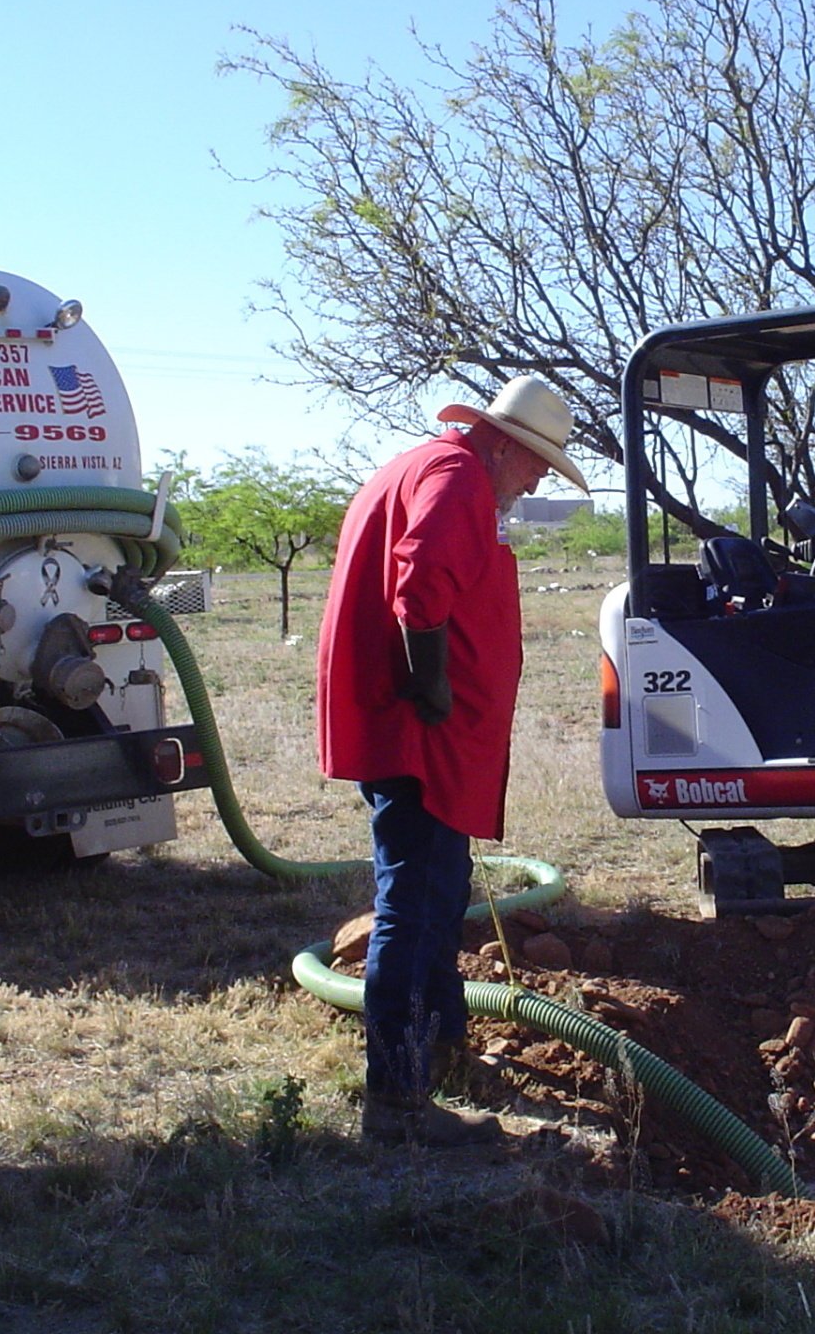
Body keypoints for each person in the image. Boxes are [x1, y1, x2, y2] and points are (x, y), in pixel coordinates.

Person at [316, 376, 589, 1146]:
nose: (536, 480)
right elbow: (421, 582)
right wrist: (431, 682)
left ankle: (440, 1045)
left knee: (440, 887)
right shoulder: (457, 476)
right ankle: (397, 1099)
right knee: (416, 897)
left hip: (424, 733)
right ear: (504, 443)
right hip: (421, 735)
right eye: (536, 464)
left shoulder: (428, 468)